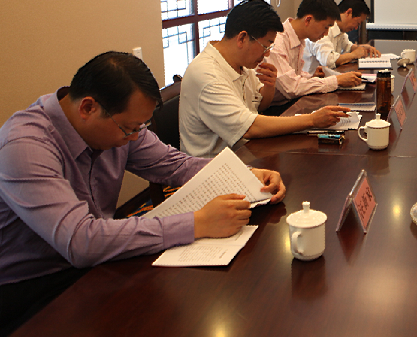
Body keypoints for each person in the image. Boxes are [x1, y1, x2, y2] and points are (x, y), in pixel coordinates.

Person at [0, 52, 286, 335]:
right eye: (129, 129)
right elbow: (81, 241)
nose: (135, 137)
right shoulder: (25, 145)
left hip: (95, 258)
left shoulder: (119, 123)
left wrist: (244, 174)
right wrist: (197, 222)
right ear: (88, 108)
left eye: (141, 127)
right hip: (32, 284)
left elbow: (174, 165)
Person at [180, 0, 350, 158]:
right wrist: (312, 120)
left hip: (245, 151)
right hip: (213, 166)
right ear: (242, 38)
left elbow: (260, 105)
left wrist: (269, 87)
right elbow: (249, 127)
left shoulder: (240, 63)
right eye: (265, 46)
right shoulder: (208, 74)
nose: (267, 54)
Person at [266, 0, 363, 106]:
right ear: (308, 20)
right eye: (326, 27)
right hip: (276, 108)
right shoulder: (277, 42)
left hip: (291, 102)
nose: (326, 33)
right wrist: (336, 81)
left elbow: (292, 77)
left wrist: (311, 77)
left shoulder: (299, 38)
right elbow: (292, 88)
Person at [302, 0, 381, 74]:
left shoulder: (340, 31)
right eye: (357, 23)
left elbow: (347, 46)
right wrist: (354, 55)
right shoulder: (324, 29)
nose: (356, 27)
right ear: (349, 12)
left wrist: (361, 48)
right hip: (310, 78)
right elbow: (327, 60)